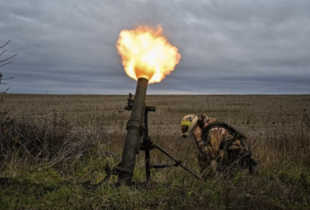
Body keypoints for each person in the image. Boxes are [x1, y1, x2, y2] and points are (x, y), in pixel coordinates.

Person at [181, 113, 257, 178]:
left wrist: (199, 140)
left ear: (196, 128)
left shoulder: (213, 131)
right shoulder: (207, 127)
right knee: (202, 154)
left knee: (203, 156)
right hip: (232, 155)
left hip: (238, 158)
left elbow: (211, 155)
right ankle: (211, 177)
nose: (193, 136)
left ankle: (210, 180)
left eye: (192, 133)